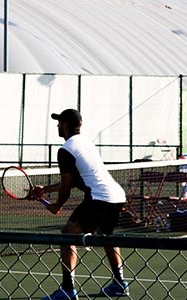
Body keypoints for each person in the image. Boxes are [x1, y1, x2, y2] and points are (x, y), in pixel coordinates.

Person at [33, 109, 129, 300]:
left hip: (99, 198)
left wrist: (58, 204)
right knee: (107, 236)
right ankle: (120, 283)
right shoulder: (86, 144)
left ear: (67, 124)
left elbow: (68, 186)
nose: (57, 125)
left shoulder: (65, 150)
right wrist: (46, 190)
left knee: (67, 236)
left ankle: (68, 290)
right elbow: (78, 180)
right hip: (116, 196)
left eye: (59, 122)